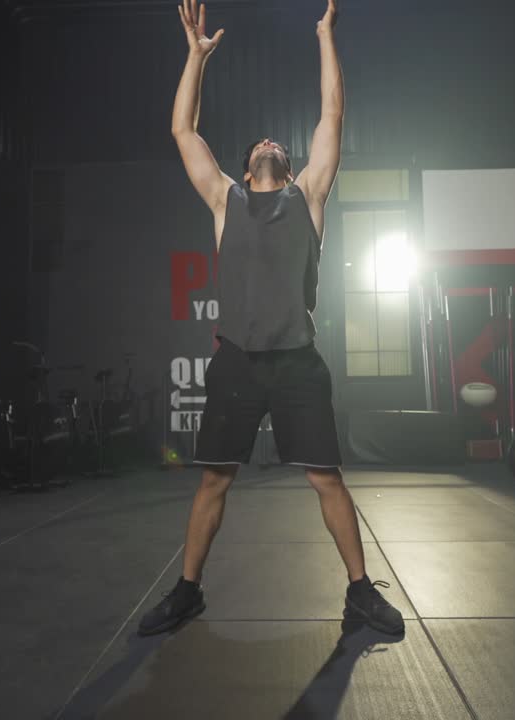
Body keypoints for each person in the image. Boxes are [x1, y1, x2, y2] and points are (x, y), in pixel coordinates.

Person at [138, 0, 403, 637]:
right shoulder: (225, 200)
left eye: (275, 143)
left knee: (326, 478)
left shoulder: (308, 195)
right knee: (212, 482)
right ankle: (188, 590)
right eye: (259, 142)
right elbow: (182, 131)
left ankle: (360, 592)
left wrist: (325, 35)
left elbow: (333, 111)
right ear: (250, 161)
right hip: (237, 360)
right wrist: (195, 58)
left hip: (296, 362)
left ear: (286, 164)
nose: (266, 144)